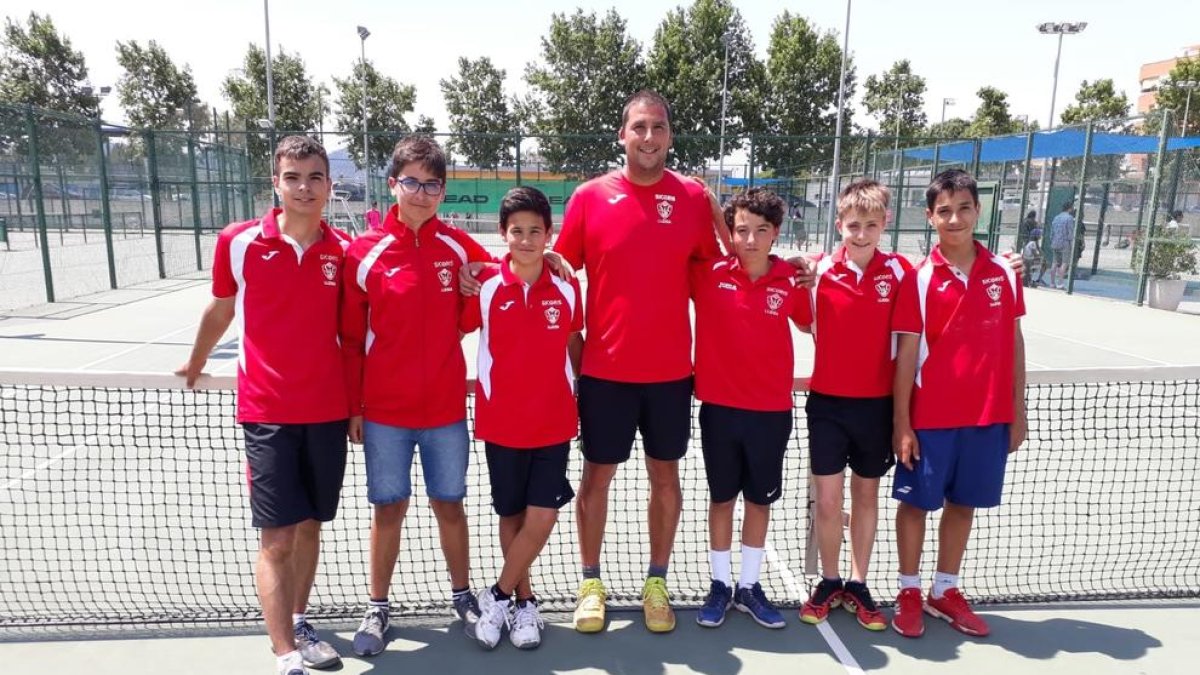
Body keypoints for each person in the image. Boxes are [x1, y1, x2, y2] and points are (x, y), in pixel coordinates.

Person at [177, 135, 351, 675]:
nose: (304, 187)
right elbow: (221, 309)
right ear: (276, 183)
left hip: (327, 411)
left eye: (314, 177)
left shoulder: (341, 250)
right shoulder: (239, 241)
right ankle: (284, 653)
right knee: (277, 537)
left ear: (328, 185)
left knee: (310, 528)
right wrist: (196, 360)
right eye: (293, 176)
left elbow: (355, 329)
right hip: (268, 412)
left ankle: (300, 621)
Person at [553, 89, 723, 634]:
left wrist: (792, 270)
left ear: (670, 136)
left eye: (658, 128)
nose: (648, 137)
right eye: (639, 127)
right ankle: (591, 582)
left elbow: (724, 276)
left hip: (672, 375)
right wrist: (579, 353)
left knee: (665, 477)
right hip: (605, 375)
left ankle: (657, 582)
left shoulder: (694, 198)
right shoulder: (588, 197)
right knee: (595, 477)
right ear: (622, 135)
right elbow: (556, 277)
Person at [341, 136, 495, 657]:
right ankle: (378, 607)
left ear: (442, 190)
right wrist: (355, 409)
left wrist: (555, 264)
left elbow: (510, 273)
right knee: (389, 510)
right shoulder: (364, 254)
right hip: (384, 414)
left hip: (446, 411)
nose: (422, 193)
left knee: (449, 506)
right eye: (412, 182)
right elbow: (350, 339)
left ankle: (463, 598)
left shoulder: (457, 247)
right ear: (393, 185)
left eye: (432, 184)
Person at [890, 169, 1027, 639]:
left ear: (978, 211)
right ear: (929, 217)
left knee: (963, 503)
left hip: (987, 417)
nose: (954, 218)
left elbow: (1015, 342)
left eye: (963, 208)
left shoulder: (1006, 272)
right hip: (931, 417)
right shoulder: (919, 278)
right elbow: (907, 354)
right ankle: (909, 590)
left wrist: (1017, 411)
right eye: (944, 211)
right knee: (915, 506)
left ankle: (944, 589)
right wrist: (902, 423)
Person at [458, 186, 584, 650]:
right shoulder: (486, 286)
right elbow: (461, 320)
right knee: (510, 515)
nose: (527, 240)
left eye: (536, 231)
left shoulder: (568, 287)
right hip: (502, 423)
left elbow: (575, 343)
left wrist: (582, 395)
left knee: (543, 515)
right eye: (517, 231)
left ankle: (497, 596)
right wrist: (467, 274)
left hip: (554, 421)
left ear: (549, 234)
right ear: (503, 234)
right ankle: (525, 603)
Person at [795, 179, 910, 632]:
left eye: (870, 224)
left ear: (884, 224)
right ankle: (828, 581)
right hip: (827, 406)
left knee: (866, 496)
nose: (860, 233)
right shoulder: (818, 271)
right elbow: (800, 313)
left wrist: (1006, 261)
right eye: (852, 225)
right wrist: (797, 269)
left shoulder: (901, 272)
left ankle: (859, 584)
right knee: (826, 501)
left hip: (877, 408)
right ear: (839, 224)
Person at [692, 188, 801, 631]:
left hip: (771, 411)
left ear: (775, 234)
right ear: (730, 232)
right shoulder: (707, 274)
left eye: (761, 231)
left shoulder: (792, 281)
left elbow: (814, 319)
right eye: (741, 231)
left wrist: (807, 271)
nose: (751, 240)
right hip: (719, 409)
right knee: (722, 499)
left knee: (758, 500)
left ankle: (750, 586)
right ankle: (720, 585)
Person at [1049, 201, 1075, 289]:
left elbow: (1052, 231)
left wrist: (1052, 240)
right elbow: (1070, 232)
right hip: (1065, 242)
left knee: (1054, 263)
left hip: (1055, 242)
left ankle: (1052, 283)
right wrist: (1071, 244)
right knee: (1064, 263)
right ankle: (1060, 283)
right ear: (1070, 208)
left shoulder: (1056, 217)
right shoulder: (1069, 218)